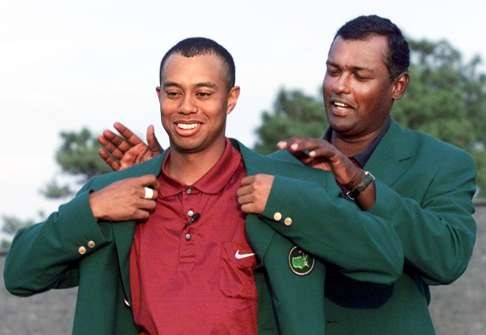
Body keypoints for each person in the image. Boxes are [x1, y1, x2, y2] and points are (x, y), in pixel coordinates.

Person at [98, 16, 477, 334]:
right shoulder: (279, 166)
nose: (340, 86)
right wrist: (167, 174)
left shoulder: (442, 163)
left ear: (398, 86)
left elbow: (447, 258)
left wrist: (359, 182)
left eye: (360, 75)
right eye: (333, 71)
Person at [4, 37, 403, 335]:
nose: (186, 107)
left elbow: (384, 260)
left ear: (231, 99)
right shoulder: (117, 196)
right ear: (159, 96)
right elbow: (20, 275)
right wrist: (89, 210)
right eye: (174, 92)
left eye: (204, 93)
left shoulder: (287, 189)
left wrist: (287, 202)